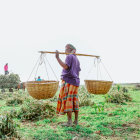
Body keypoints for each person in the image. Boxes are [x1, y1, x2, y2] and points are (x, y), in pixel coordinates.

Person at [55, 44, 81, 126]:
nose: (65, 51)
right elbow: (78, 71)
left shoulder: (69, 56)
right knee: (74, 100)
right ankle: (76, 121)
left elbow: (65, 67)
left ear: (71, 50)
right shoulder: (77, 59)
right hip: (75, 81)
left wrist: (57, 58)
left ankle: (69, 122)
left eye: (66, 49)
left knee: (68, 100)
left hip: (68, 81)